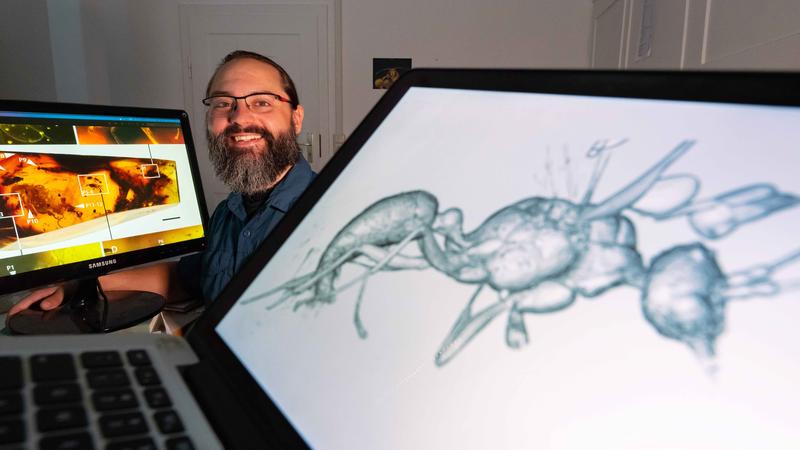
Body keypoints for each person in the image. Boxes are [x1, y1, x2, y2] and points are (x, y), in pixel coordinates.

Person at [7, 50, 315, 317]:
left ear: (296, 118)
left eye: (261, 102)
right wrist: (79, 287)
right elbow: (184, 278)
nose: (239, 117)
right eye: (223, 104)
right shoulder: (227, 213)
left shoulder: (325, 213)